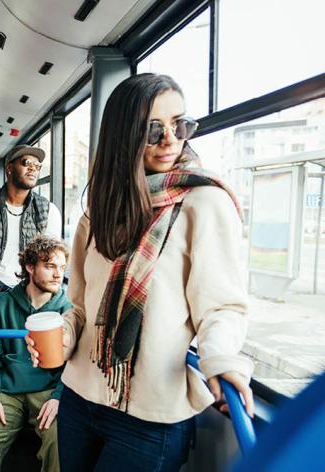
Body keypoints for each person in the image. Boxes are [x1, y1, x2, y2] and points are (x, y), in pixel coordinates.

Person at [25, 73, 254, 472]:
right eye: (153, 129)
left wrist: (220, 358)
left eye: (180, 124)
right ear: (123, 136)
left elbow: (222, 307)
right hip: (80, 398)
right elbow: (79, 307)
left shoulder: (204, 204)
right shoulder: (98, 213)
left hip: (152, 415)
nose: (170, 139)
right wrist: (62, 338)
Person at [0, 235, 71, 472]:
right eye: (50, 266)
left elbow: (75, 363)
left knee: (59, 440)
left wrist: (59, 397)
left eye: (62, 268)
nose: (58, 274)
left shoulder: (68, 310)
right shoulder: (0, 305)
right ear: (30, 267)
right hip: (7, 390)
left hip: (49, 389)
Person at [0, 145, 63, 324]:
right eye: (26, 162)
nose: (33, 168)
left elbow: (51, 261)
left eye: (37, 165)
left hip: (32, 286)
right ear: (9, 168)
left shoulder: (49, 211)